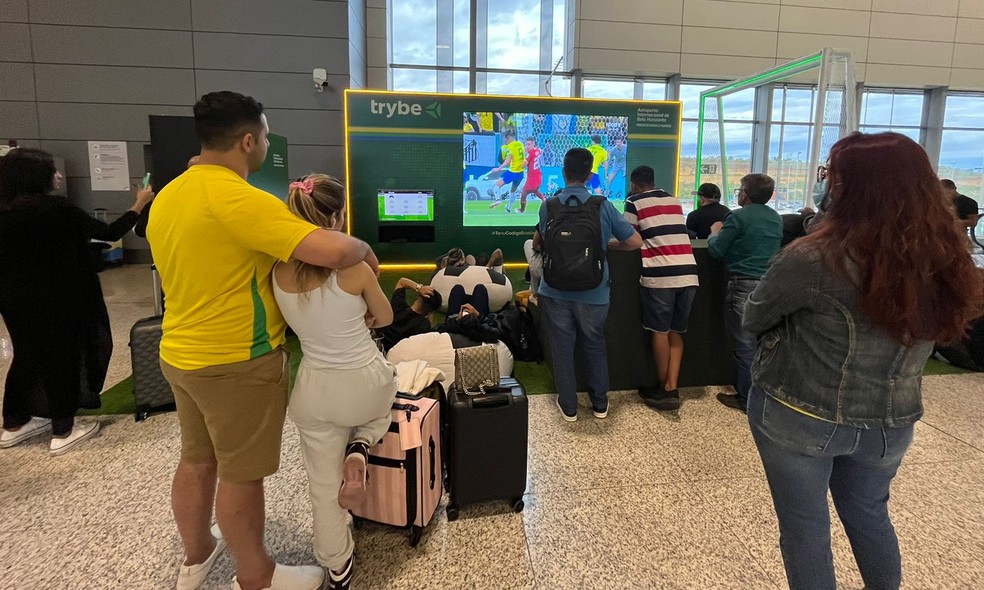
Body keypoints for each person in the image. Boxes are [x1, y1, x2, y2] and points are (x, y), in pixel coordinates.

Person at [147, 91, 378, 590]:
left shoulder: (170, 194)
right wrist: (364, 250)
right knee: (240, 473)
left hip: (178, 355)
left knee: (196, 458)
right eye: (266, 137)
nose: (266, 145)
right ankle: (257, 576)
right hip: (235, 360)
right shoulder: (239, 199)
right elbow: (333, 249)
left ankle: (197, 555)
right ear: (248, 140)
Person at [743, 132, 984, 590]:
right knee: (871, 514)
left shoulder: (813, 258)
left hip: (801, 413)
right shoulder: (945, 257)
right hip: (892, 422)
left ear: (849, 188)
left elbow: (754, 316)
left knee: (805, 529)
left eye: (833, 178)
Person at [272, 174, 398, 590]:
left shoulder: (278, 271)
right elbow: (387, 318)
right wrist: (363, 317)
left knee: (322, 485)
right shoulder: (356, 269)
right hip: (364, 382)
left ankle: (337, 564)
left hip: (313, 393)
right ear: (339, 217)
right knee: (387, 396)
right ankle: (362, 446)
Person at [0, 148, 153, 455]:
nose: (58, 175)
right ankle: (63, 428)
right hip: (61, 295)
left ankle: (13, 423)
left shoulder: (4, 211)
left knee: (26, 354)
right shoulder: (56, 209)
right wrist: (139, 204)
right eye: (51, 170)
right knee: (63, 358)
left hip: (14, 297)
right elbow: (109, 233)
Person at [539, 148, 642, 422]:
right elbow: (635, 242)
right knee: (594, 344)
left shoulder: (547, 205)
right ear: (589, 174)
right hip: (594, 291)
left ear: (563, 171)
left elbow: (542, 241)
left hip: (555, 289)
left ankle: (569, 407)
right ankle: (599, 404)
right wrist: (608, 245)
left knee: (562, 347)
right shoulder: (603, 205)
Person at [623, 166, 699, 411]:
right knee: (677, 332)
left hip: (660, 276)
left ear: (634, 184)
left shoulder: (633, 202)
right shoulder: (674, 200)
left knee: (660, 331)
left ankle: (660, 386)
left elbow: (629, 239)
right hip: (688, 274)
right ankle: (671, 387)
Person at [707, 173, 782, 413]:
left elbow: (717, 251)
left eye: (740, 189)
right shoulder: (775, 218)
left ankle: (745, 398)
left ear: (745, 194)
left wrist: (714, 232)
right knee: (761, 344)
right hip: (768, 286)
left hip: (742, 286)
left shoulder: (737, 217)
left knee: (744, 345)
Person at [377, 277, 442, 351]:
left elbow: (402, 282)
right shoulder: (424, 325)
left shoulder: (398, 306)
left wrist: (419, 288)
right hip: (399, 355)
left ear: (419, 297)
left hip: (381, 349)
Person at [488, 130, 525, 213]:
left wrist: (498, 169)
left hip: (513, 172)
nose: (506, 141)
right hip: (520, 173)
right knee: (513, 191)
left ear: (509, 138)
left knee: (496, 186)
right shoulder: (520, 144)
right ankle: (508, 207)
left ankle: (498, 200)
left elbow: (508, 161)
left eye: (506, 139)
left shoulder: (511, 146)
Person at [518, 137, 546, 213]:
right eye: (526, 144)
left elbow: (523, 165)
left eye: (529, 144)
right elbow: (541, 151)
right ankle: (545, 201)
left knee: (524, 193)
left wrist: (520, 161)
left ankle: (521, 210)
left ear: (533, 144)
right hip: (539, 177)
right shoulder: (538, 150)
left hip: (532, 178)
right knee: (536, 191)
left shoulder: (530, 153)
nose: (527, 146)